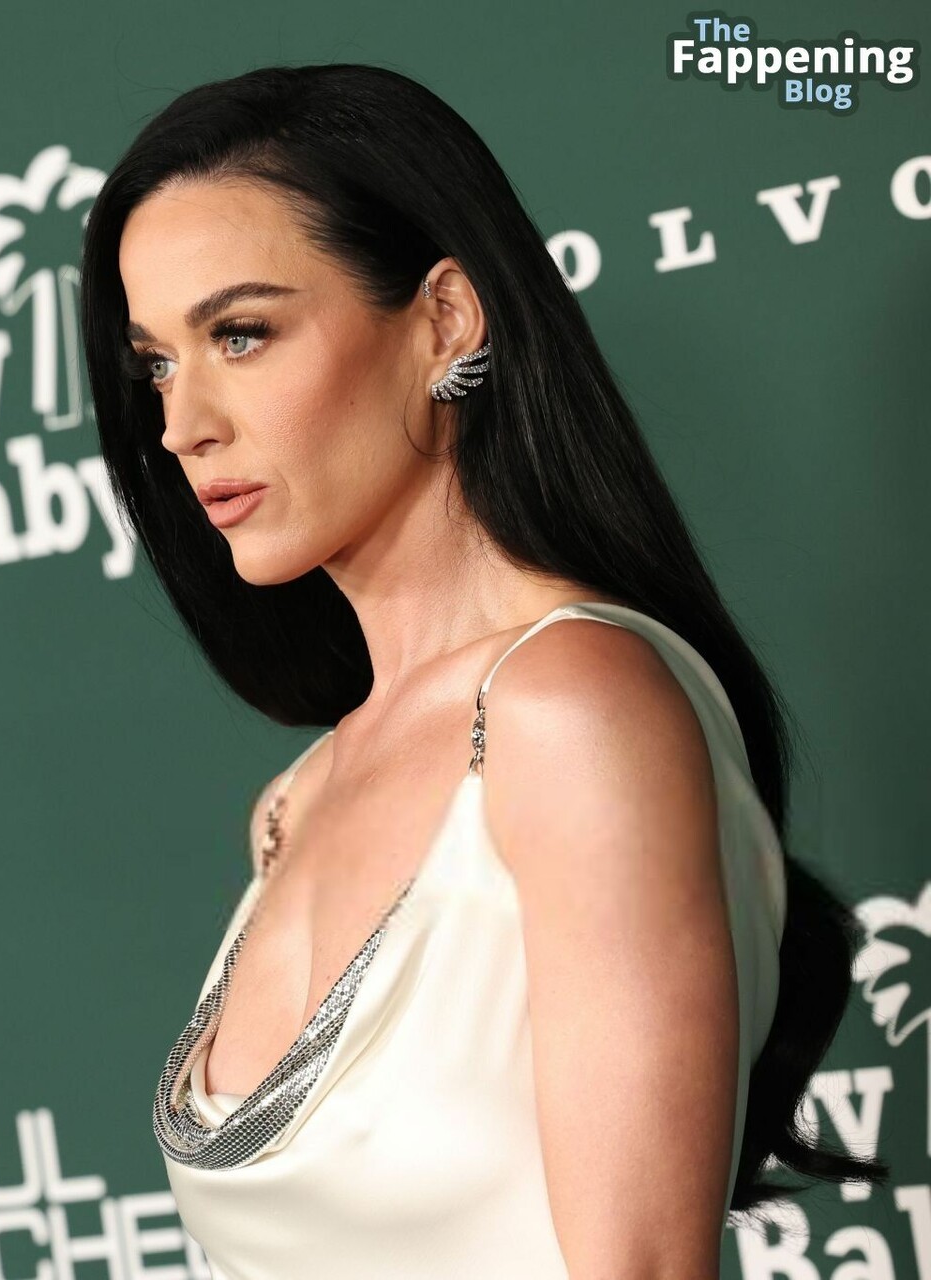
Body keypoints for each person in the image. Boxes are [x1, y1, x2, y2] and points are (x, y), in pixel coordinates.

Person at [77, 63, 889, 1277]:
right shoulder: (294, 802)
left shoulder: (575, 707)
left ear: (447, 320)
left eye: (240, 335)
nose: (182, 423)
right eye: (156, 363)